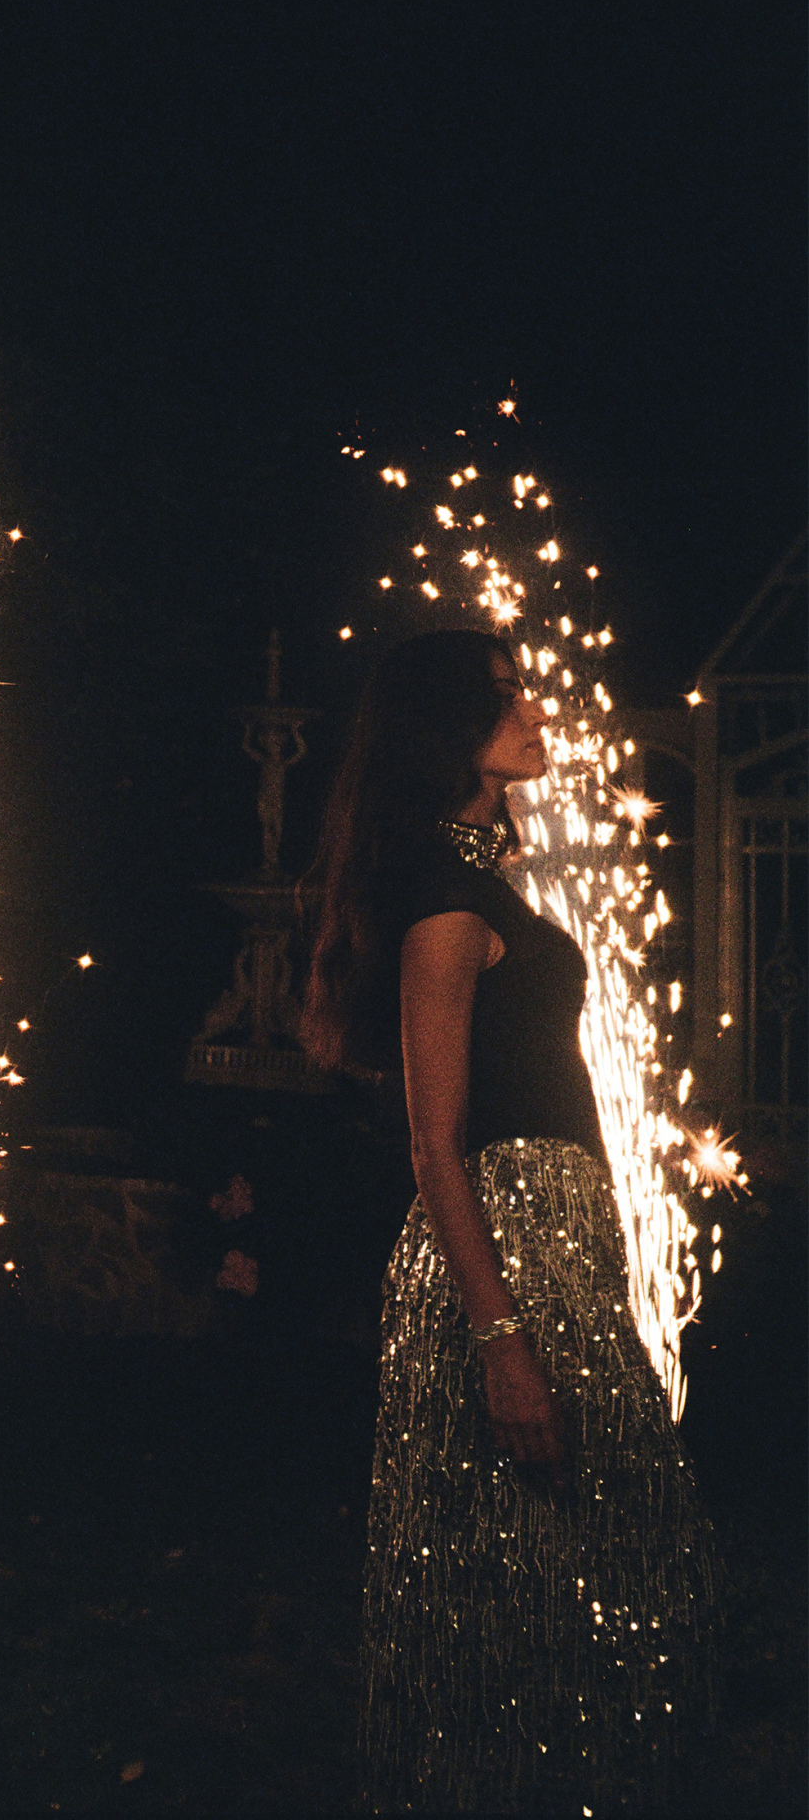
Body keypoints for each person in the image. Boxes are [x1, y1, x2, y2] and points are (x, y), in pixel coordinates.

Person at [298, 629, 720, 1815]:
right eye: (501, 698)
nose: (531, 708)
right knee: (544, 1578)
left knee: (583, 1572)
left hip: (554, 1247)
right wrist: (497, 1335)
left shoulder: (479, 881)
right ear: (447, 734)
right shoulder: (443, 904)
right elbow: (434, 1141)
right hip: (503, 1251)